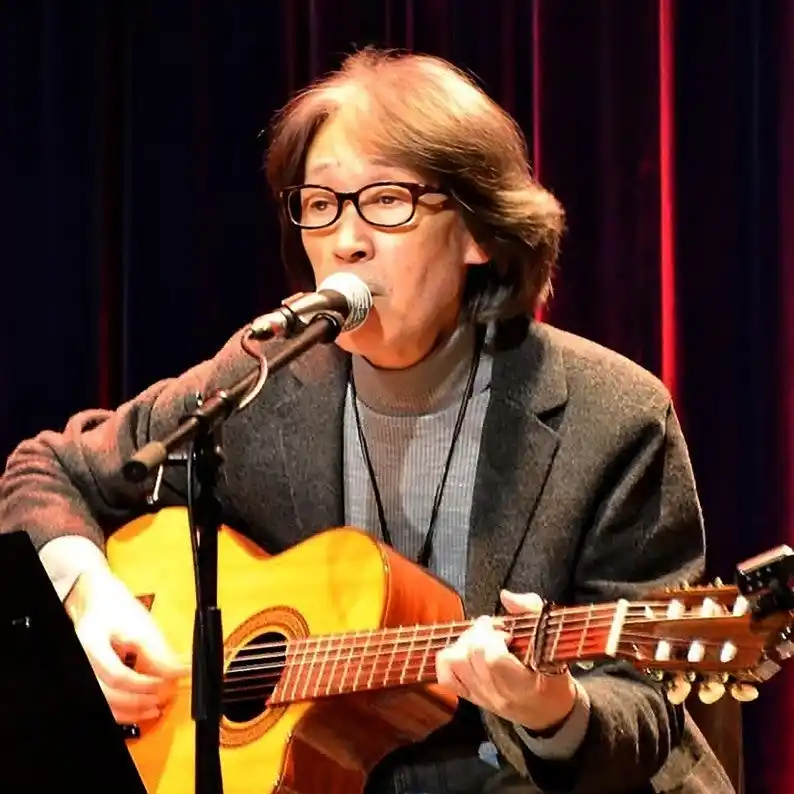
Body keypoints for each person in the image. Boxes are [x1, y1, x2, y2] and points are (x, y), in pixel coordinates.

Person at [0, 48, 734, 794]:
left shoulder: (611, 414)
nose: (345, 240)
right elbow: (47, 468)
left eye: (386, 200)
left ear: (478, 232)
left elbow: (645, 707)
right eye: (320, 204)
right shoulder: (263, 380)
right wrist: (89, 601)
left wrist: (554, 710)